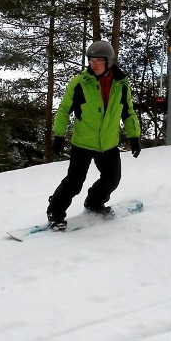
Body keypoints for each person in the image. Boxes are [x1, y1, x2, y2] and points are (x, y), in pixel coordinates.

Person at [46, 40, 142, 231]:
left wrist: (134, 136)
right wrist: (59, 135)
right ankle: (55, 212)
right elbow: (64, 110)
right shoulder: (80, 83)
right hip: (83, 142)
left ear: (109, 61)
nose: (94, 63)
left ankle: (94, 203)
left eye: (99, 60)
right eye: (91, 59)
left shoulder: (121, 84)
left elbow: (128, 112)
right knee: (74, 183)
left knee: (112, 179)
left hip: (108, 143)